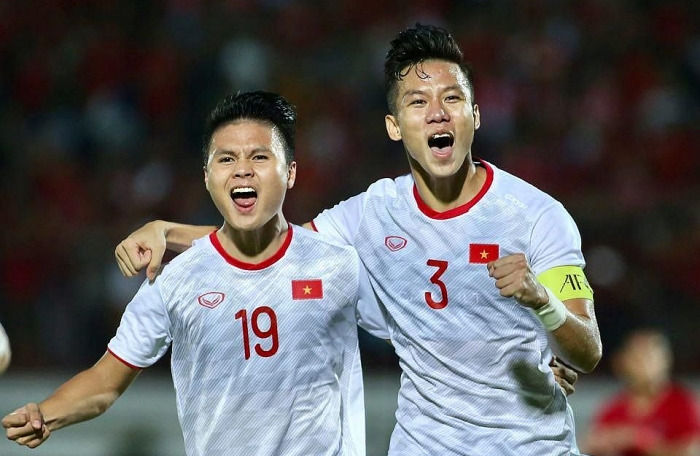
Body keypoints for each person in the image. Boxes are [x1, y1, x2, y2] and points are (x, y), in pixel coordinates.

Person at [114, 24, 601, 455]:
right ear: (394, 126)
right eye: (418, 102)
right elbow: (275, 247)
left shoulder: (536, 215)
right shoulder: (372, 213)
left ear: (475, 115)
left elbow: (588, 350)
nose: (437, 113)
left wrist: (543, 303)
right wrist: (168, 232)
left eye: (452, 99)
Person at [2, 91, 388, 456]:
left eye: (259, 157)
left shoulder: (338, 265)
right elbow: (105, 382)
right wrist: (45, 413)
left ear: (290, 172)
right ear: (206, 176)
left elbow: (411, 332)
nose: (242, 171)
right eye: (226, 159)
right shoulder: (174, 280)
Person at [583, 328, 700, 456]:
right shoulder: (613, 409)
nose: (644, 365)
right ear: (623, 363)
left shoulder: (683, 404)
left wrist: (642, 441)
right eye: (637, 358)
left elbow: (692, 451)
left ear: (666, 361)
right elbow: (591, 444)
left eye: (650, 357)